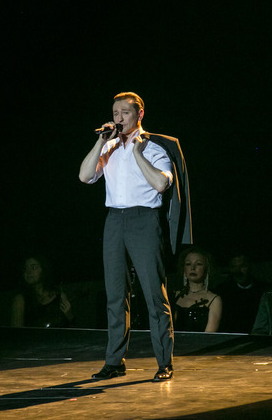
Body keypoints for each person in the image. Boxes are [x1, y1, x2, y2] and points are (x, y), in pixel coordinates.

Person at [79, 92, 179, 382]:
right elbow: (85, 176)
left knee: (153, 294)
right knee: (115, 294)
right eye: (115, 113)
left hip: (144, 220)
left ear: (139, 114)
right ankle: (114, 361)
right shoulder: (109, 147)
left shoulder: (154, 147)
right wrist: (100, 142)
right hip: (114, 220)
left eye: (125, 112)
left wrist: (137, 153)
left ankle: (164, 362)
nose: (119, 118)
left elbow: (161, 184)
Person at [10, 256, 74, 328]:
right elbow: (17, 331)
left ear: (44, 270)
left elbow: (72, 327)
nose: (28, 272)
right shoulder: (20, 300)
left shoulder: (60, 296)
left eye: (34, 267)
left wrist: (70, 315)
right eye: (25, 268)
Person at [173, 247, 222, 332]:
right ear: (183, 269)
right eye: (188, 264)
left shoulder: (214, 300)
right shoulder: (173, 296)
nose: (192, 268)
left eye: (198, 264)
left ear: (207, 269)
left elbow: (209, 335)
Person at [216, 253, 267, 333]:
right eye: (234, 267)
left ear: (250, 267)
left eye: (242, 266)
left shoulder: (263, 291)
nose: (238, 271)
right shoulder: (222, 292)